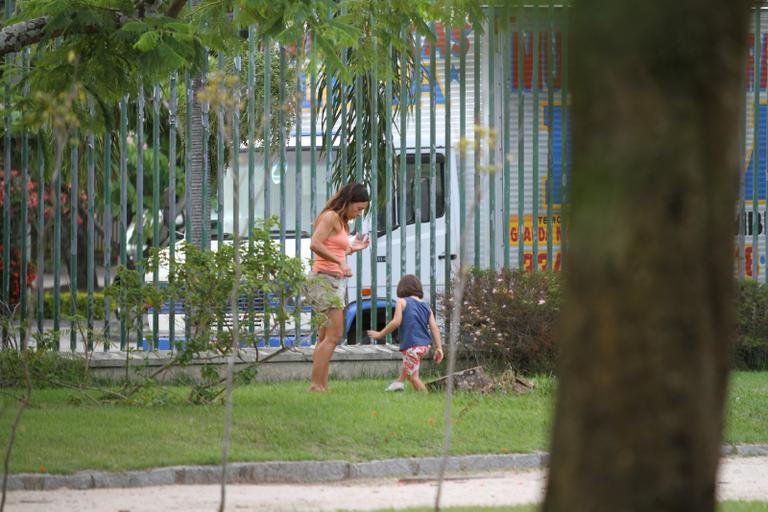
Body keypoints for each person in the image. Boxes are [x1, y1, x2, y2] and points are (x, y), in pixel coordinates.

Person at [306, 183, 370, 392]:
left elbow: (334, 247)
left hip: (334, 281)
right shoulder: (330, 217)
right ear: (348, 201)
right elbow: (315, 244)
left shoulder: (342, 222)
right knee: (335, 335)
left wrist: (352, 249)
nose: (359, 214)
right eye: (358, 208)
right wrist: (341, 263)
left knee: (325, 337)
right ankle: (316, 385)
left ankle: (321, 385)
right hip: (325, 280)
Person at [367, 274, 444, 392]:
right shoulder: (426, 306)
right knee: (408, 366)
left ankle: (427, 396)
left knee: (412, 377)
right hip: (424, 345)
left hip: (413, 345)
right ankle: (399, 383)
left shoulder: (402, 302)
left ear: (402, 288)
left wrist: (380, 334)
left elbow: (396, 322)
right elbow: (434, 328)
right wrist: (439, 347)